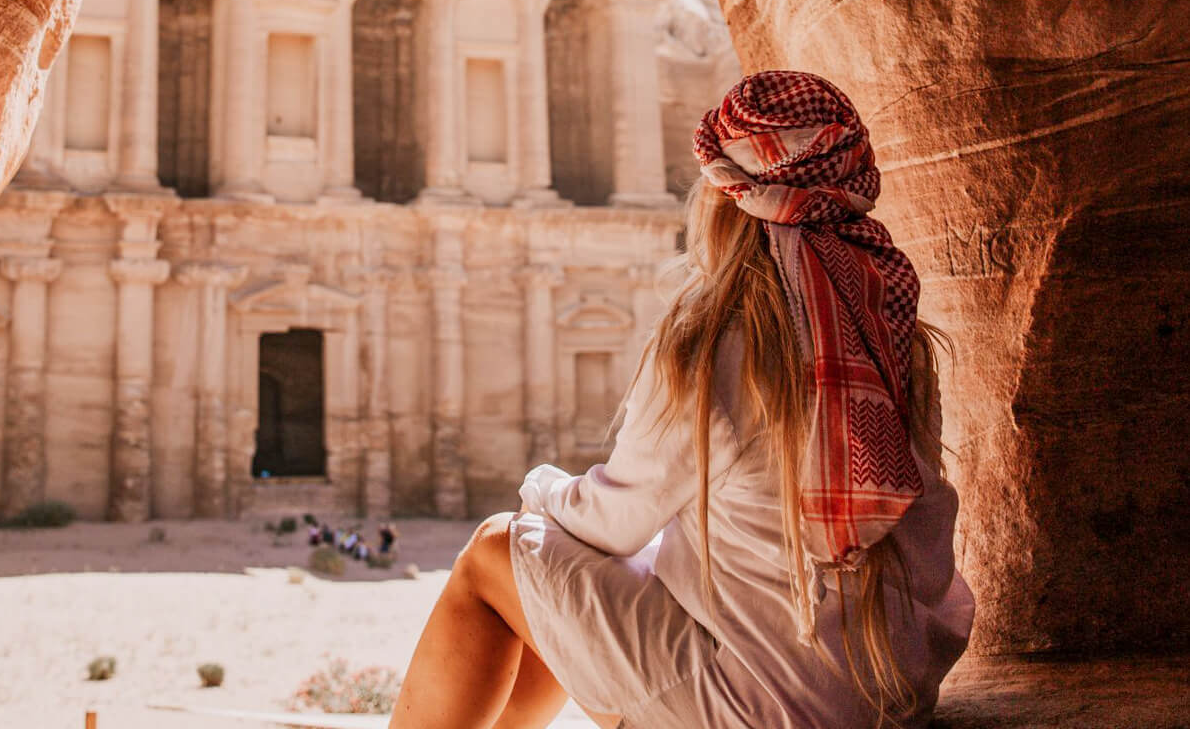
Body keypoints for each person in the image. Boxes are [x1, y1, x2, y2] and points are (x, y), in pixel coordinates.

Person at [389, 72, 975, 729]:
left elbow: (611, 522)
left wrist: (542, 490)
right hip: (890, 689)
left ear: (726, 196)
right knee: (574, 593)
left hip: (777, 709)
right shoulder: (898, 332)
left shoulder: (715, 344)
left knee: (498, 550)